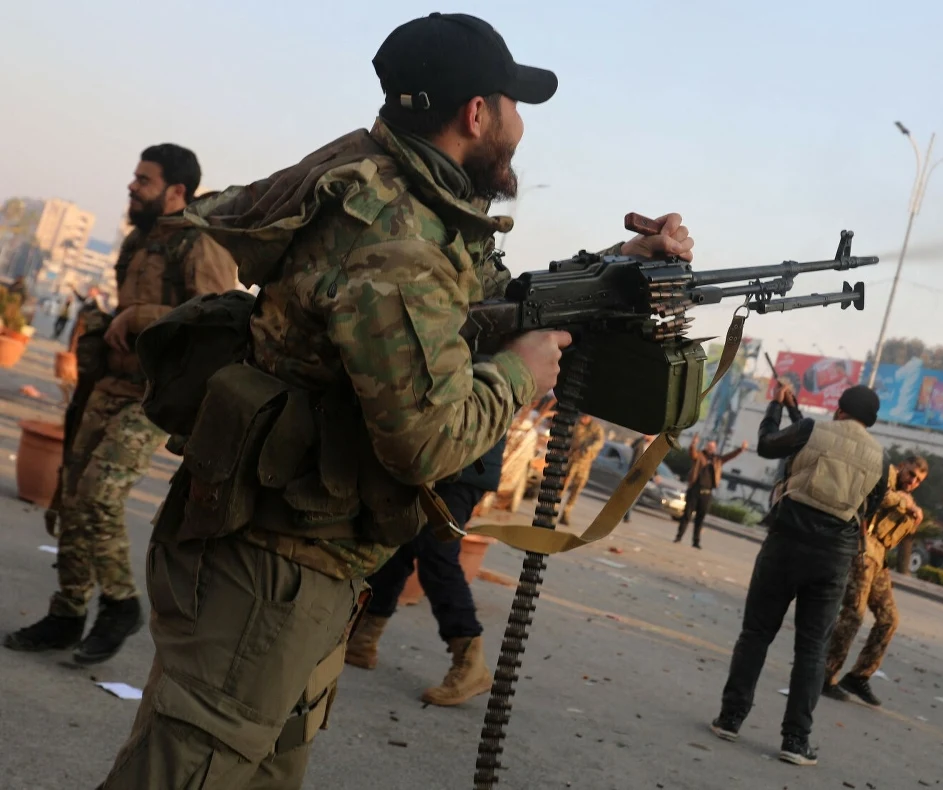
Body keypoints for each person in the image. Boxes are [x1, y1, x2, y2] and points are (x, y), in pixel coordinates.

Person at [96, 13, 694, 788]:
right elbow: (427, 439)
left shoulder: (377, 175)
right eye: (513, 107)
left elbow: (460, 308)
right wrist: (520, 374)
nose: (519, 127)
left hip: (300, 555)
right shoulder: (397, 236)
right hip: (271, 568)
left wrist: (616, 268)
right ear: (477, 114)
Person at [4, 144, 238, 665]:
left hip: (157, 399)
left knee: (102, 493)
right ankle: (66, 613)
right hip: (111, 385)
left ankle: (119, 604)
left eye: (144, 180)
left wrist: (139, 317)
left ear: (177, 190)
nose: (132, 187)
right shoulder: (138, 240)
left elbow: (221, 319)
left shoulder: (201, 244)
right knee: (71, 493)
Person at [710, 383, 888, 767]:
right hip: (833, 560)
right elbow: (869, 509)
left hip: (786, 544)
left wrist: (776, 405)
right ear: (870, 421)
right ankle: (795, 740)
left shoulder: (812, 428)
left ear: (839, 409)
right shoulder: (881, 458)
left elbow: (771, 444)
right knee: (811, 650)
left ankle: (730, 719)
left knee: (756, 633)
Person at [344, 435, 507, 710]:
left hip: (464, 460)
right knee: (399, 544)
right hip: (437, 455)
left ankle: (469, 661)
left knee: (437, 554)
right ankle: (363, 639)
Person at [823, 454, 928, 707]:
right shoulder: (885, 476)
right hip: (862, 549)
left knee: (889, 619)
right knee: (854, 614)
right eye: (911, 474)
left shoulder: (907, 498)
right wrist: (907, 506)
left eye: (918, 480)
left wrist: (914, 516)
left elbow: (900, 533)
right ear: (902, 467)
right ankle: (825, 674)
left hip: (879, 558)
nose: (912, 481)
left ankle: (860, 675)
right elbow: (878, 496)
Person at [676, 436, 747, 548]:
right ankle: (679, 536)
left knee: (700, 518)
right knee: (687, 515)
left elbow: (729, 457)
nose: (710, 448)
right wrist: (693, 444)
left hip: (707, 493)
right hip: (695, 490)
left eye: (713, 447)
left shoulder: (717, 460)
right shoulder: (699, 456)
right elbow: (692, 454)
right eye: (709, 446)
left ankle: (696, 542)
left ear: (715, 448)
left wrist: (740, 449)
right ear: (706, 447)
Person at [559, 414, 606, 526]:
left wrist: (587, 448)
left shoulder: (596, 428)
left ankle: (566, 512)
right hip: (571, 460)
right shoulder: (575, 424)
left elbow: (599, 442)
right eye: (582, 417)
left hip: (584, 463)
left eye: (586, 417)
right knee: (561, 486)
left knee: (577, 489)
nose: (583, 419)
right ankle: (553, 509)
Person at [624, 433, 654, 522]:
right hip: (634, 472)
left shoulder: (653, 448)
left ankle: (627, 514)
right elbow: (633, 446)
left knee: (635, 496)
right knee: (628, 494)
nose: (651, 437)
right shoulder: (640, 443)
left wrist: (655, 474)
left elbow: (652, 462)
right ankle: (625, 514)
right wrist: (642, 438)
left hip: (643, 475)